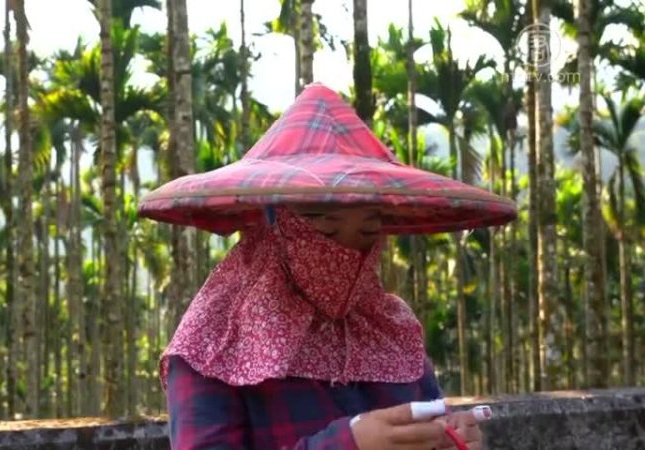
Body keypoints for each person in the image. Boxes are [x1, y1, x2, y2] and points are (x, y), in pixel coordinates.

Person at [138, 83, 516, 450]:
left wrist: (450, 439)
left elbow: (430, 421)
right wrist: (348, 444)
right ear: (272, 226)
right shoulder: (214, 344)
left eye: (368, 232)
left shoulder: (391, 330)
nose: (347, 253)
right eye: (325, 229)